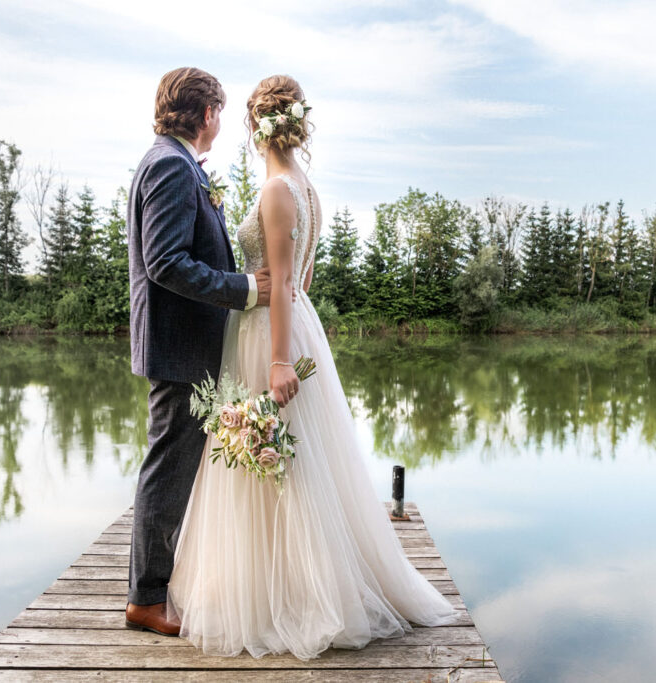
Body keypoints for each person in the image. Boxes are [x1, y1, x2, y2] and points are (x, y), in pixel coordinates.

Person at [166, 74, 458, 659]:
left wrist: (277, 360)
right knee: (292, 461)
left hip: (269, 334)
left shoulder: (276, 191)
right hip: (300, 319)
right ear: (295, 123)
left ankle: (293, 594)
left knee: (274, 461)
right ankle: (291, 578)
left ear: (256, 125)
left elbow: (276, 287)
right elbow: (301, 279)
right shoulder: (306, 187)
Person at [125, 67, 275, 636]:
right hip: (180, 345)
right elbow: (164, 262)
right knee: (167, 470)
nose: (222, 123)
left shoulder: (173, 161)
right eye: (221, 112)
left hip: (182, 344)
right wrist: (243, 289)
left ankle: (158, 588)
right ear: (208, 113)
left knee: (176, 467)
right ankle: (145, 599)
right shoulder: (169, 164)